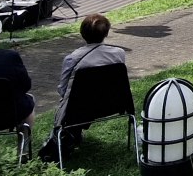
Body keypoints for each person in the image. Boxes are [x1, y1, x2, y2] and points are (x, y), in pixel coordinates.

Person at [39, 13, 128, 162]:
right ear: (106, 33)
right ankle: (73, 134)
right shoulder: (119, 54)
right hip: (112, 104)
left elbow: (62, 89)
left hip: (79, 107)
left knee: (68, 104)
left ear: (82, 34)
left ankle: (65, 137)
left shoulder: (72, 58)